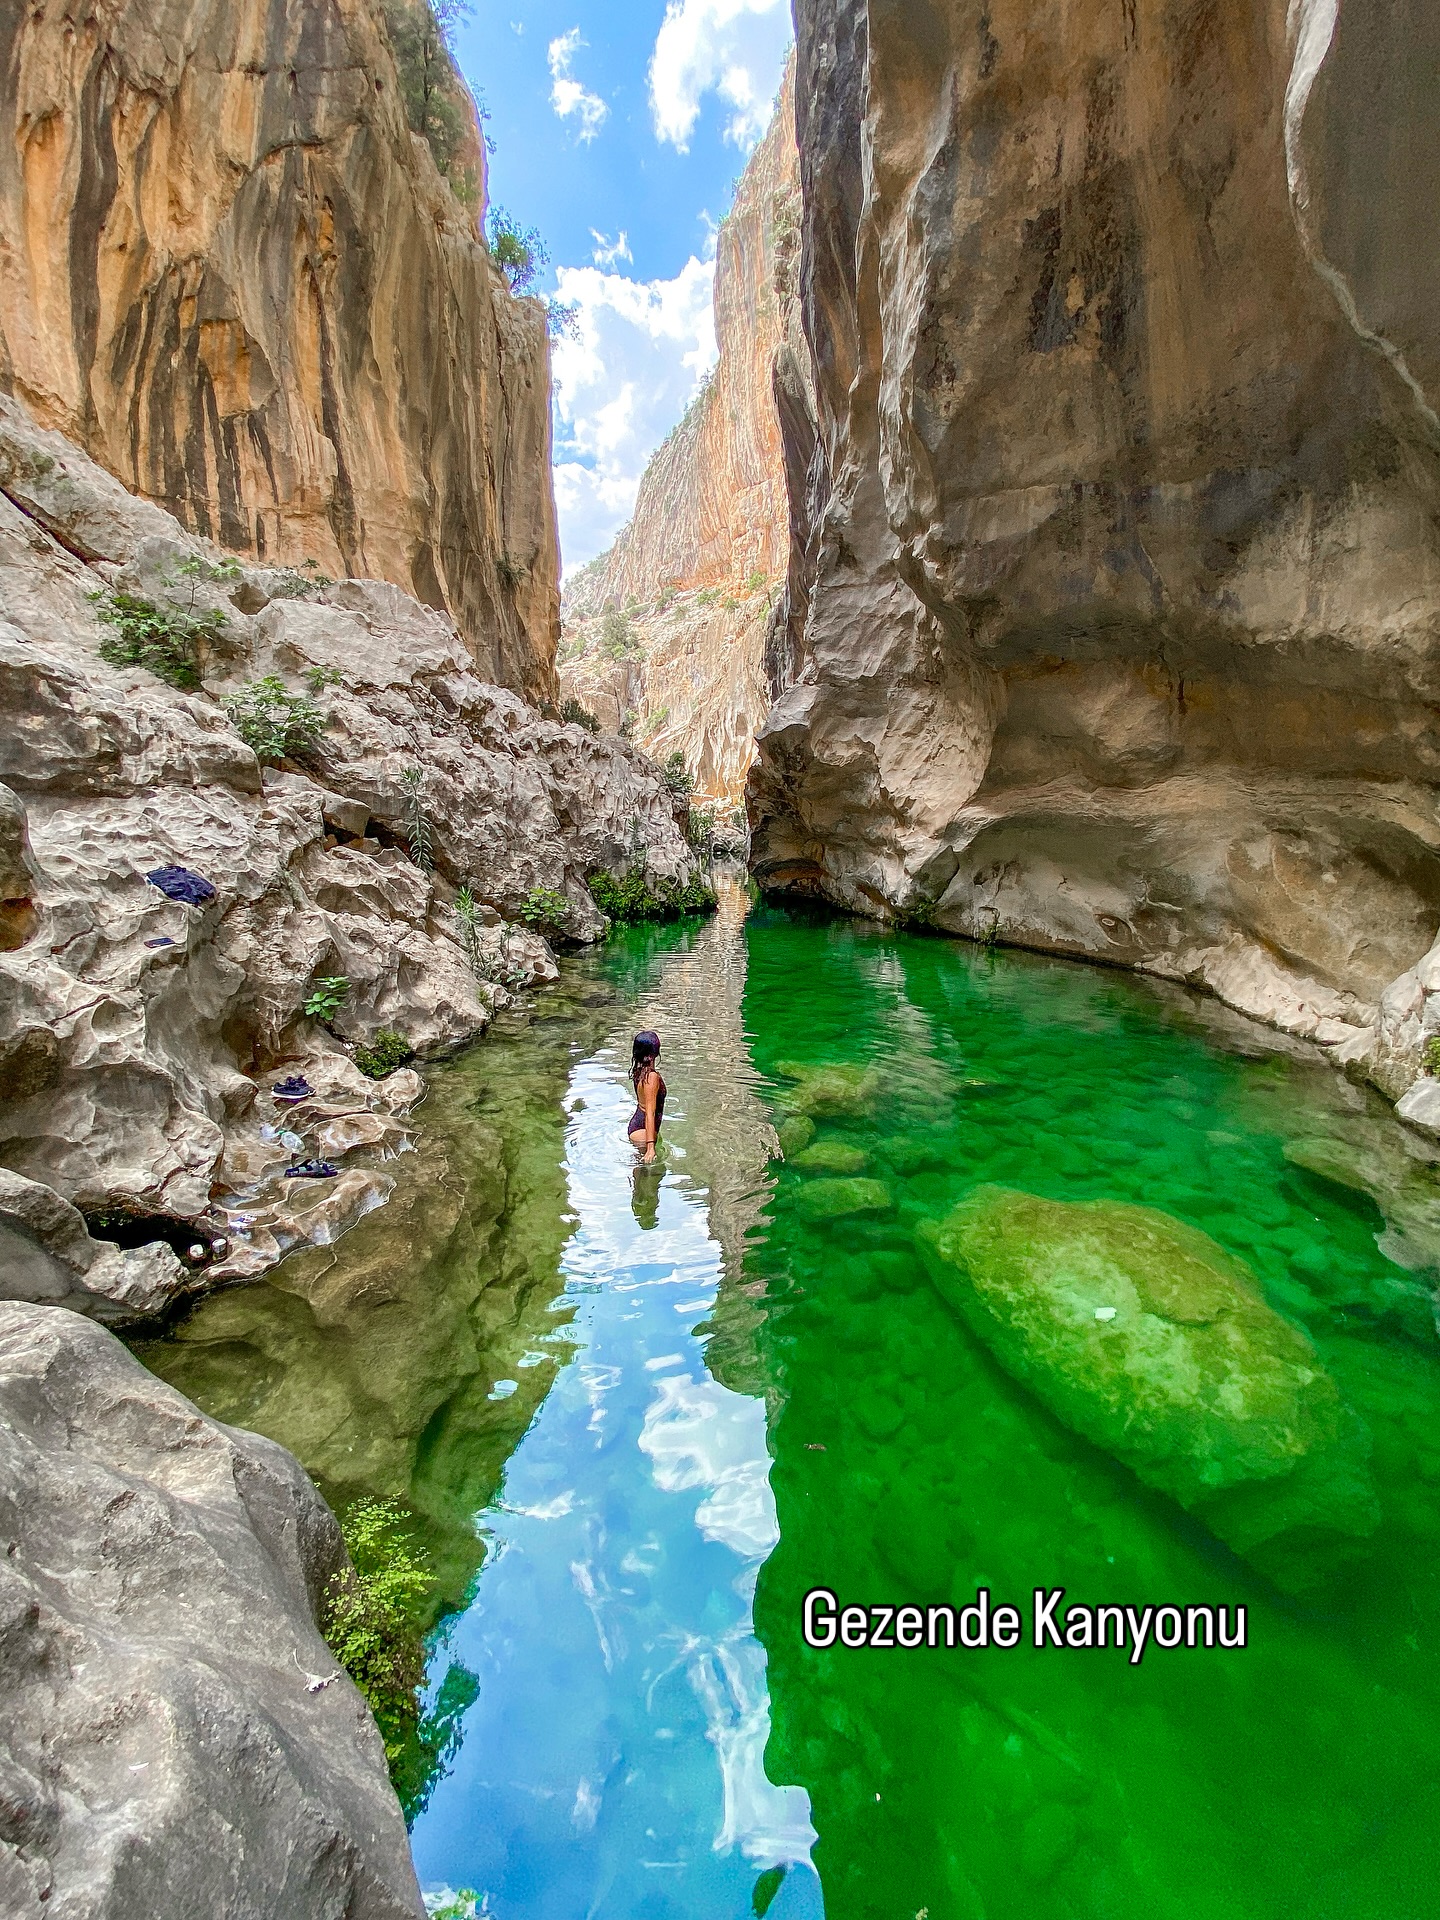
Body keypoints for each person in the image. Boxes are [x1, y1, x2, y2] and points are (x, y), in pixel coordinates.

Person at [627, 1029, 666, 1164]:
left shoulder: (640, 1072)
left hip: (638, 1127)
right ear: (655, 1051)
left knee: (640, 1171)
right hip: (643, 1131)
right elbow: (650, 1113)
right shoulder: (651, 1077)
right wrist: (650, 1147)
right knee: (650, 1173)